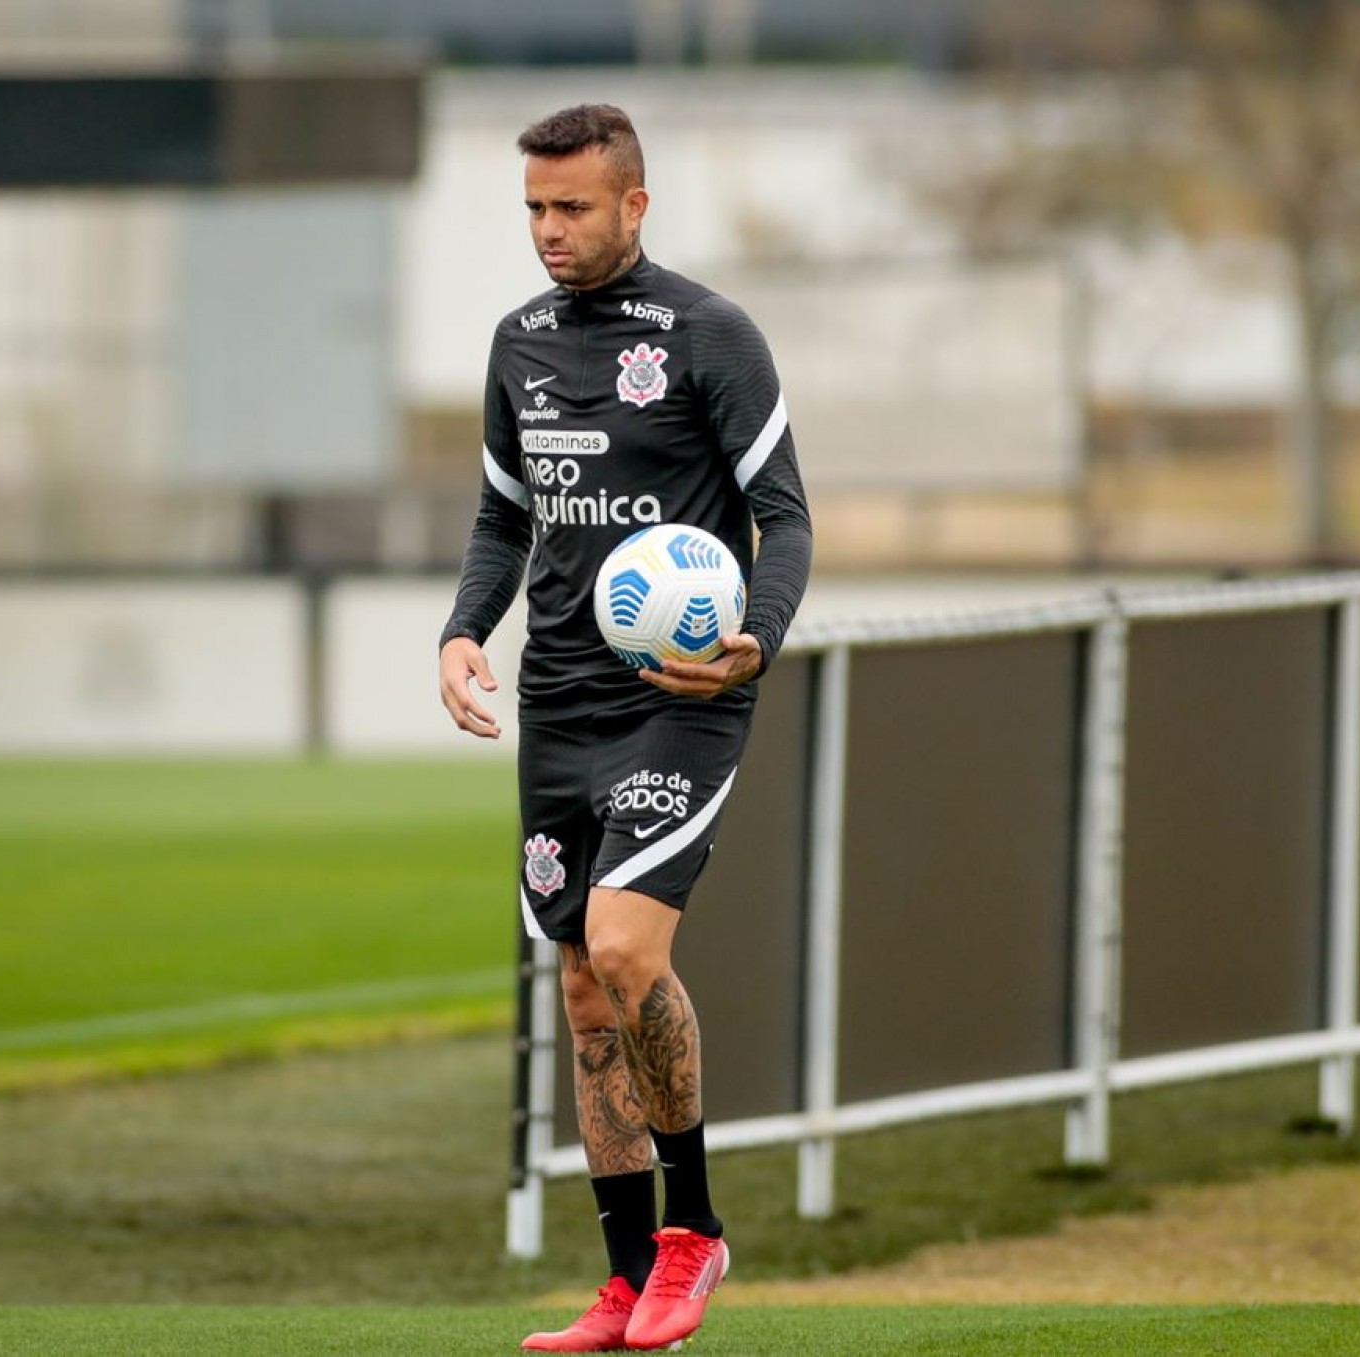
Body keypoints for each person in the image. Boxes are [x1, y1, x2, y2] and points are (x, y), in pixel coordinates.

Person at [437, 104, 812, 1352]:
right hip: (562, 704)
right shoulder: (519, 343)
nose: (548, 230)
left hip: (682, 698)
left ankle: (693, 1232)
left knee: (627, 947)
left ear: (634, 205)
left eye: (573, 207)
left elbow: (784, 514)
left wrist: (753, 632)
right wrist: (461, 632)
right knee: (585, 991)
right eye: (534, 209)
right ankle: (618, 1279)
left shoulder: (709, 335)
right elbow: (504, 521)